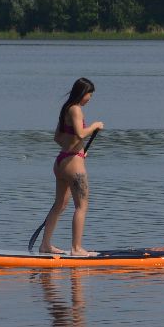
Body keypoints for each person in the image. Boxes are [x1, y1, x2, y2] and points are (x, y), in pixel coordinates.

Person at [38, 77, 104, 256]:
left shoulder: (66, 108)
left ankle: (45, 245)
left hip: (61, 162)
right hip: (73, 165)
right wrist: (95, 126)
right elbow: (81, 132)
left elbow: (58, 138)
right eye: (89, 94)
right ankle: (76, 248)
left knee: (59, 205)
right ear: (82, 93)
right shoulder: (76, 109)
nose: (90, 98)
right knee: (81, 206)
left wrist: (77, 149)